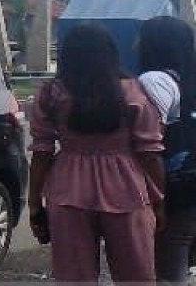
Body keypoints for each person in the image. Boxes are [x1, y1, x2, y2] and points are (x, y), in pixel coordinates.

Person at [27, 23, 166, 283]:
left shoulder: (52, 93)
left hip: (68, 190)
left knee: (74, 277)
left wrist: (35, 204)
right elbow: (149, 152)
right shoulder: (133, 92)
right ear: (111, 55)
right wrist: (158, 200)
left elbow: (42, 152)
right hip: (127, 188)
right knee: (136, 275)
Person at [138, 15, 196, 285]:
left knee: (166, 267)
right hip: (190, 182)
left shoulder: (154, 80)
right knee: (179, 257)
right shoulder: (188, 79)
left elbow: (148, 140)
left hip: (168, 185)